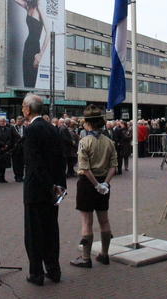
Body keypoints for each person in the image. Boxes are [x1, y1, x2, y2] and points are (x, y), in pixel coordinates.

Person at [21, 93, 66, 286]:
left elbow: (35, 162)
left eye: (23, 105)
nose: (22, 109)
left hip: (37, 190)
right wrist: (58, 186)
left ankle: (36, 274)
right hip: (52, 191)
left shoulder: (31, 130)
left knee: (34, 235)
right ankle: (54, 270)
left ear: (28, 109)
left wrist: (49, 185)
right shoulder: (52, 128)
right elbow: (60, 159)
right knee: (50, 232)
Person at [70, 105, 117, 268]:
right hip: (104, 182)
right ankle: (104, 254)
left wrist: (96, 185)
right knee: (104, 220)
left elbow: (84, 167)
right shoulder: (109, 142)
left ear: (88, 123)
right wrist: (105, 183)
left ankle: (85, 257)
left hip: (87, 184)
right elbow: (113, 166)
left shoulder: (84, 142)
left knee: (87, 221)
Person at [9, 0, 49, 88]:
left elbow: (48, 32)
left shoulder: (38, 6)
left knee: (31, 80)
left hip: (34, 48)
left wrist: (40, 54)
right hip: (27, 47)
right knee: (26, 80)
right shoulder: (28, 5)